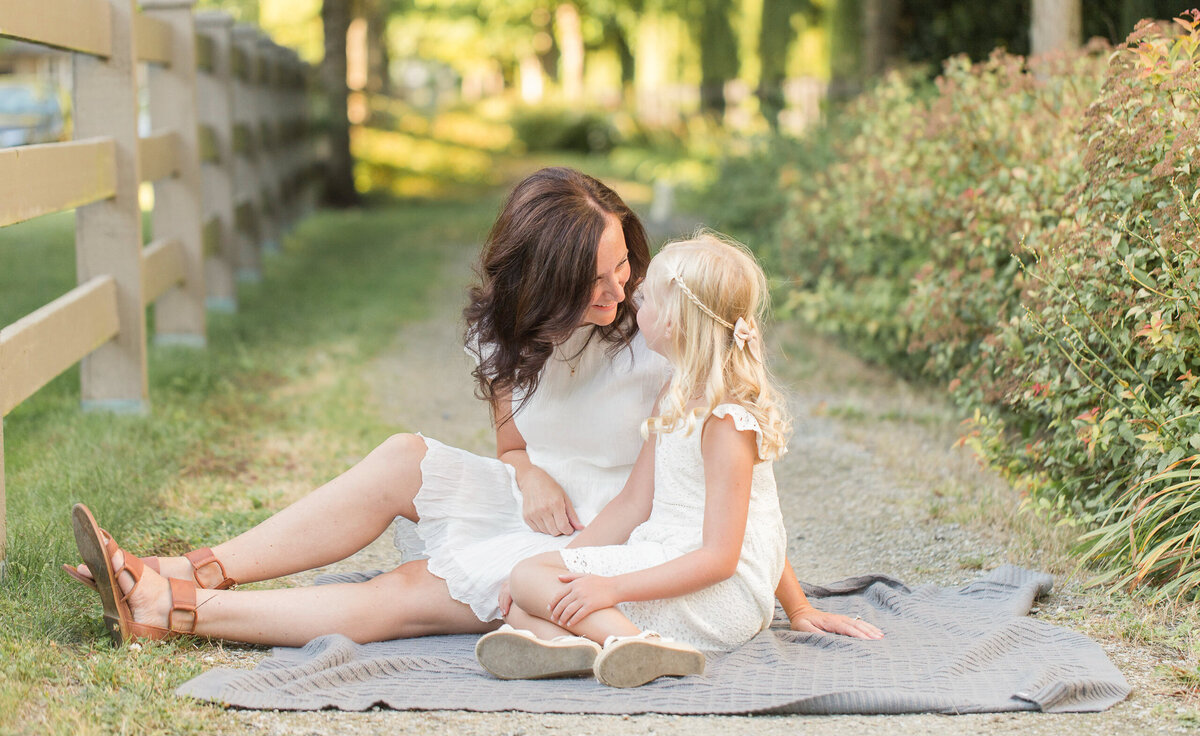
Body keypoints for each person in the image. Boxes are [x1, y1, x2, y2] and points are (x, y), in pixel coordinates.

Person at [68, 168, 876, 648]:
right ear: (542, 284)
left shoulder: (659, 338)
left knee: (413, 586)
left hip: (609, 537)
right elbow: (511, 438)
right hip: (546, 510)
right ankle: (186, 570)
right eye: (593, 281)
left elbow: (734, 495)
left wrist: (790, 600)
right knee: (401, 458)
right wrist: (520, 468)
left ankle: (172, 607)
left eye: (624, 264)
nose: (618, 290)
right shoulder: (510, 338)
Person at [475, 233, 884, 688]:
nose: (633, 303)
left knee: (531, 582)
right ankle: (584, 649)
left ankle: (640, 644)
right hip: (666, 560)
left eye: (646, 297)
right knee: (521, 593)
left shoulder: (727, 420)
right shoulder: (673, 395)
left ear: (675, 322)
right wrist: (563, 563)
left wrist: (799, 608)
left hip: (715, 594)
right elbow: (631, 505)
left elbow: (727, 556)